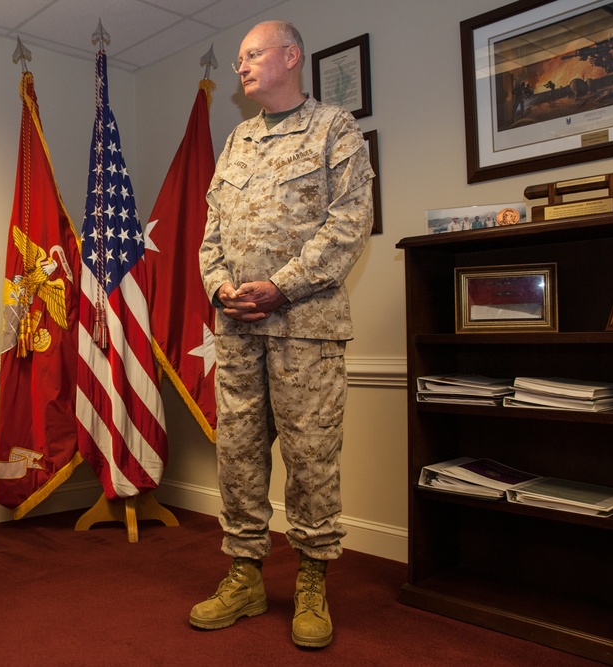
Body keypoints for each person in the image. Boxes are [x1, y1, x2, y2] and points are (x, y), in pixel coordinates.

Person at [193, 20, 374, 649]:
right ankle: (244, 575)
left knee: (310, 458)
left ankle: (313, 579)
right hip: (238, 331)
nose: (241, 66)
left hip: (306, 329)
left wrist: (283, 285)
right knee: (238, 457)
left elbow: (350, 224)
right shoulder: (237, 140)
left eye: (252, 54)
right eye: (240, 58)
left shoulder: (335, 130)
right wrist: (218, 285)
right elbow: (211, 231)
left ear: (290, 57)